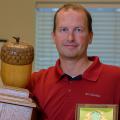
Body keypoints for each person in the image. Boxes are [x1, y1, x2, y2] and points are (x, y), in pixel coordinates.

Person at [28, 3, 120, 120]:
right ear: (53, 37)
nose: (70, 38)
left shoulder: (116, 79)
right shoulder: (35, 81)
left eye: (78, 29)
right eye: (63, 29)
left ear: (90, 37)